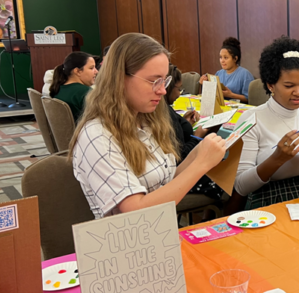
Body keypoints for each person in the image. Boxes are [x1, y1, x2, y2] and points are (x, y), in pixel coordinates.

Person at [69, 33, 227, 219]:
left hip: (159, 234)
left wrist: (198, 153)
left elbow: (167, 183)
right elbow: (136, 210)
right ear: (120, 78)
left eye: (164, 81)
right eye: (154, 81)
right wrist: (201, 164)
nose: (162, 90)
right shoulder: (98, 135)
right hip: (127, 242)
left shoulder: (145, 121)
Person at [230, 36, 299, 211]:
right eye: (289, 85)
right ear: (271, 85)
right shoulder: (252, 119)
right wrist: (277, 159)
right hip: (270, 197)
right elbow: (241, 186)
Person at [165, 64, 224, 201]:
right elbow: (180, 158)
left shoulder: (165, 110)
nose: (180, 94)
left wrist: (185, 123)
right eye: (178, 89)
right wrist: (197, 136)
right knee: (224, 176)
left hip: (177, 172)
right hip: (178, 176)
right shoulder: (162, 116)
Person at [199, 37, 254, 103]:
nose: (222, 61)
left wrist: (231, 95)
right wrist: (206, 84)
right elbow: (213, 95)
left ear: (235, 58)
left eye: (226, 57)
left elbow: (250, 98)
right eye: (220, 57)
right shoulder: (218, 73)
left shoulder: (245, 74)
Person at [49, 51, 98, 122]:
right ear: (78, 71)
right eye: (91, 68)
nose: (96, 71)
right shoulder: (85, 92)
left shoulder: (59, 88)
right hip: (83, 132)